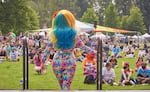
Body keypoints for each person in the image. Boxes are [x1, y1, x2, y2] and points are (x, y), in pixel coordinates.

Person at [50, 10, 95, 90]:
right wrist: (93, 52)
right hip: (69, 61)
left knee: (62, 86)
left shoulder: (54, 35)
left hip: (57, 61)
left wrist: (42, 61)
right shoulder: (73, 35)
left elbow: (47, 49)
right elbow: (83, 47)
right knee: (66, 86)